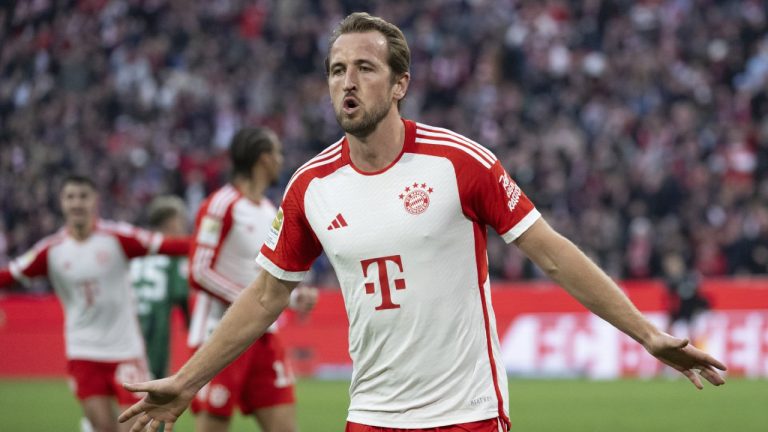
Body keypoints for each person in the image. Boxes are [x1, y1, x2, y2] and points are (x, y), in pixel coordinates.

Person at [119, 12, 726, 432]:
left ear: (400, 82)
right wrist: (189, 379)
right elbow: (265, 296)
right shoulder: (310, 187)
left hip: (467, 412)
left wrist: (647, 334)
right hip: (373, 415)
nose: (347, 81)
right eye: (336, 70)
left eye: (364, 67)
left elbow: (552, 253)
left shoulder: (460, 162)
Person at [0, 174, 190, 432]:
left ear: (95, 202)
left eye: (83, 196)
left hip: (126, 351)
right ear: (62, 203)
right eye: (70, 197)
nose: (77, 203)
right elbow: (8, 275)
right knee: (103, 428)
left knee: (137, 429)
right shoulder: (51, 250)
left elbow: (173, 246)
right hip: (83, 352)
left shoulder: (117, 238)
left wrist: (217, 244)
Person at [185, 127, 318, 432]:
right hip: (218, 335)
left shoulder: (272, 211)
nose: (281, 160)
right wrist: (251, 303)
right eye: (277, 153)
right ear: (263, 159)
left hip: (263, 336)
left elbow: (263, 277)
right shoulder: (222, 204)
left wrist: (294, 299)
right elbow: (199, 271)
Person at [131, 195, 191, 380]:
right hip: (153, 331)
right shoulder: (173, 254)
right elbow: (183, 297)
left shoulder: (135, 248)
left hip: (125, 331)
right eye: (181, 221)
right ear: (171, 221)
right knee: (155, 392)